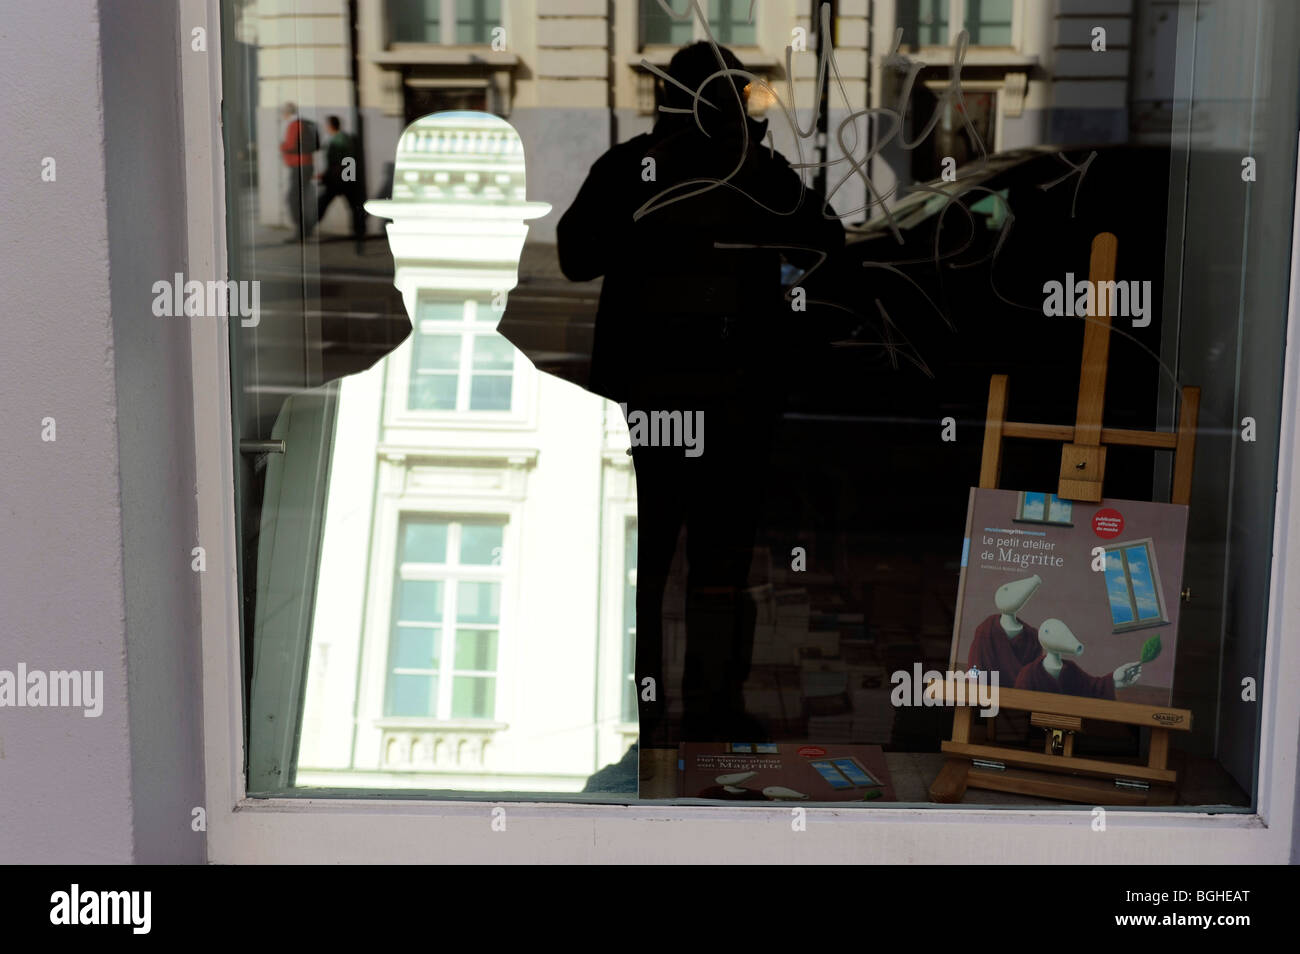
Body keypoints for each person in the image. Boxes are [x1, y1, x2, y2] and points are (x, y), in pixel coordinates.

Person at [557, 42, 845, 748]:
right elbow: (830, 251)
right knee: (717, 570)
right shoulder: (758, 173)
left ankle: (640, 715)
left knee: (640, 570)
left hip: (643, 408)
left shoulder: (632, 167)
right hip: (733, 408)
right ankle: (711, 711)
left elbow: (573, 255)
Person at [316, 116, 366, 253]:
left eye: (326, 125)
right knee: (352, 206)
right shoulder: (343, 138)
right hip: (345, 178)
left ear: (330, 126)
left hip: (339, 179)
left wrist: (329, 176)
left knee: (322, 204)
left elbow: (340, 161)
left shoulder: (339, 140)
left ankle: (306, 228)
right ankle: (359, 236)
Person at [279, 101, 319, 240]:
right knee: (301, 198)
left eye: (282, 112)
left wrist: (281, 146)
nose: (282, 115)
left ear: (287, 113)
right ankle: (305, 229)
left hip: (299, 166)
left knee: (292, 199)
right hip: (306, 164)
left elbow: (290, 145)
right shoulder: (302, 123)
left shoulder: (294, 125)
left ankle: (301, 231)